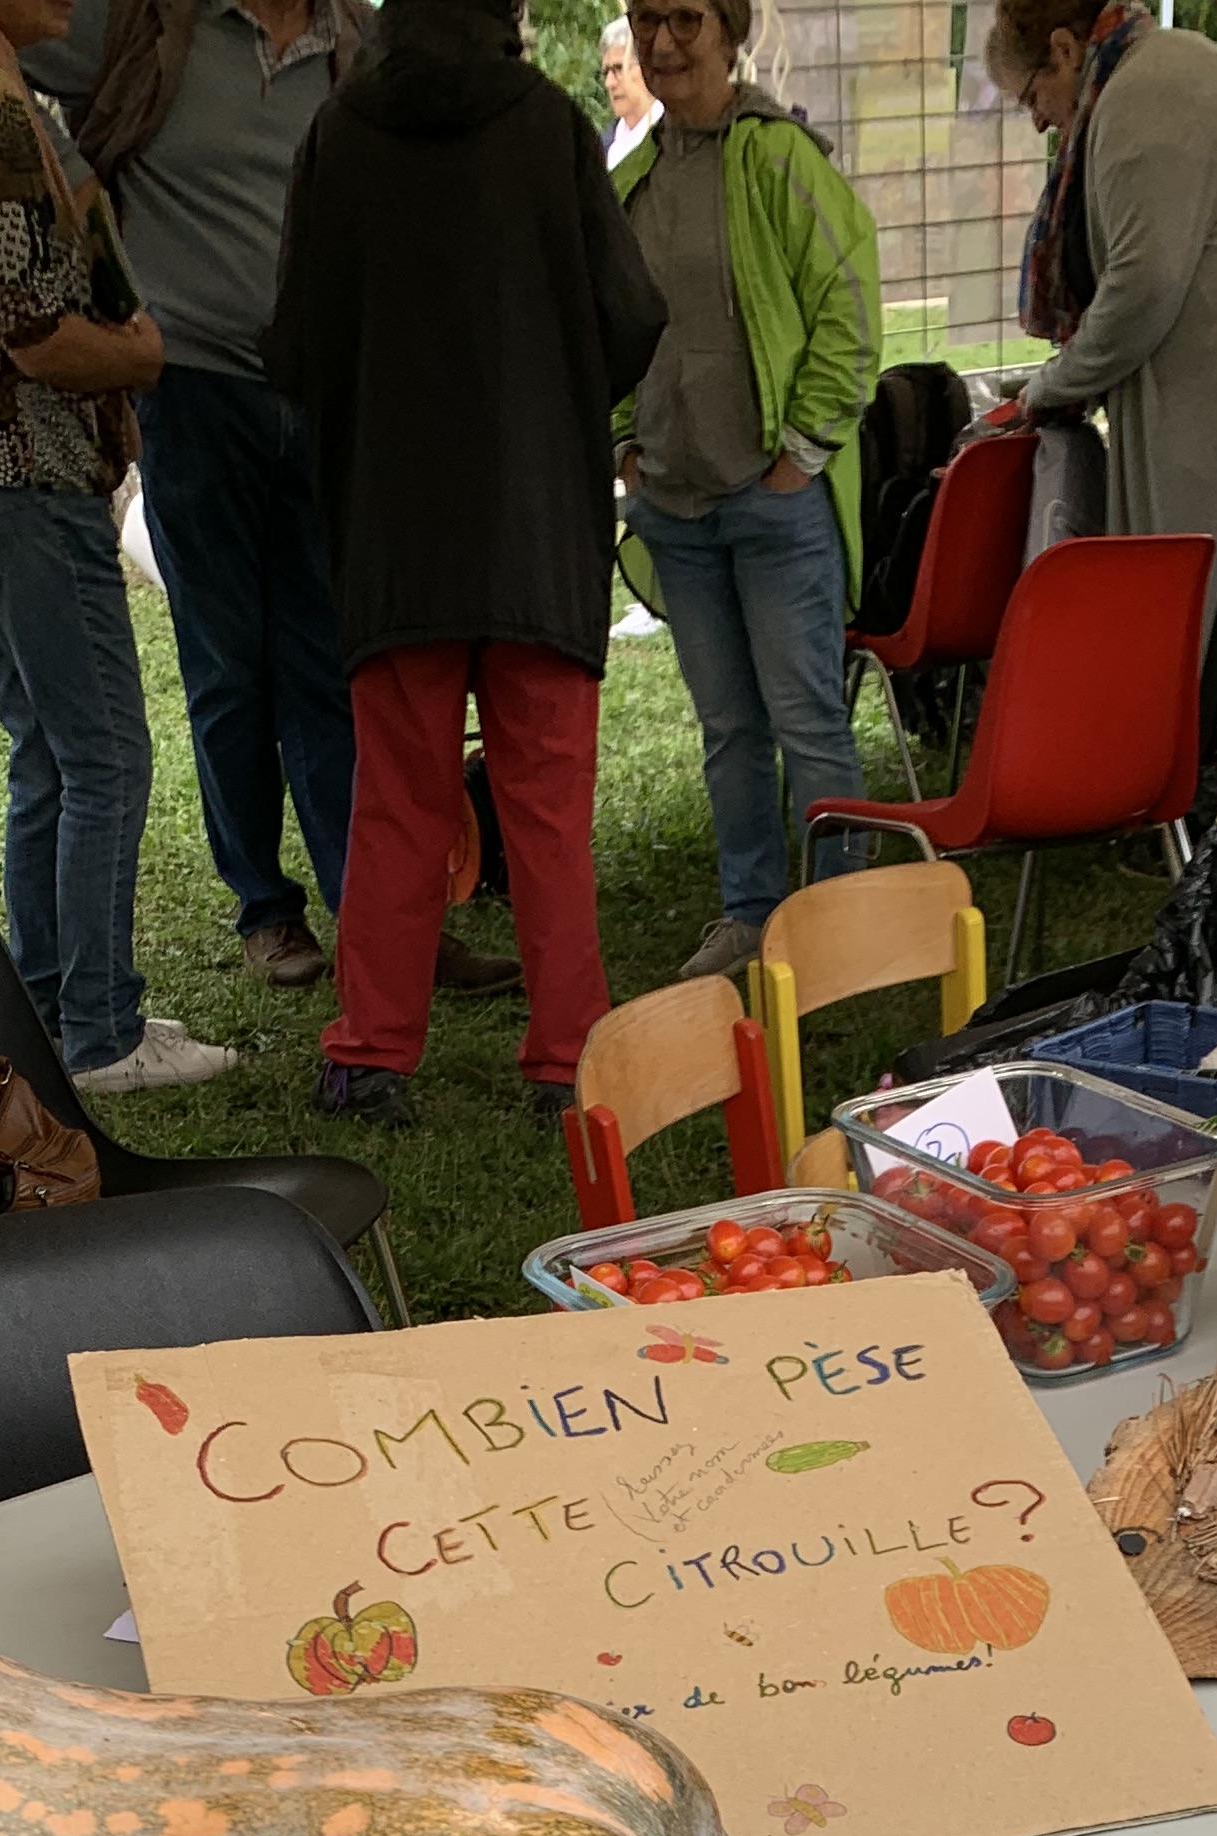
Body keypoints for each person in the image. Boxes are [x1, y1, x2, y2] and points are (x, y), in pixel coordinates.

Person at [32, 0, 511, 1001]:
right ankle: (265, 908)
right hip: (191, 393)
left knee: (332, 664)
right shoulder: (148, 26)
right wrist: (75, 188)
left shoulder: (359, 44)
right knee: (228, 667)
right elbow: (0, 46)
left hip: (325, 392)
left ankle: (377, 919)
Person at [272, 0, 661, 1125]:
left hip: (396, 535)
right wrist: (556, 391)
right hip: (538, 528)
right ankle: (567, 1062)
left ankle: (370, 1056)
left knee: (398, 803)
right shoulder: (547, 127)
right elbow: (633, 313)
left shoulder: (338, 134)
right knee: (548, 811)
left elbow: (291, 343)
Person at [0, 0, 238, 1097]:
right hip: (23, 473)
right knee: (105, 757)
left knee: (46, 754)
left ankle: (46, 1011)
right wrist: (146, 355)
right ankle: (102, 1033)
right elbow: (42, 337)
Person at [615, 0, 881, 985]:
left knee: (808, 722)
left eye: (686, 18)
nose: (663, 42)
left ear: (731, 33)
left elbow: (849, 312)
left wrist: (797, 458)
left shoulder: (780, 158)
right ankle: (750, 918)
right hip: (674, 507)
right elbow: (609, 330)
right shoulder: (630, 181)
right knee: (729, 731)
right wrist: (625, 444)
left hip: (774, 505)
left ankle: (842, 933)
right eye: (647, 19)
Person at [989, 0, 1217, 643]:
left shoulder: (1140, 95)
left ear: (1065, 50)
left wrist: (1053, 384)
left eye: (1031, 95)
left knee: (1211, 623)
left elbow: (1141, 290)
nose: (1039, 119)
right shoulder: (1171, 65)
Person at [599, 13, 659, 166]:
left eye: (619, 69)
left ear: (647, 67)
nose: (609, 83)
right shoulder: (603, 148)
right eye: (606, 72)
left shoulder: (673, 137)